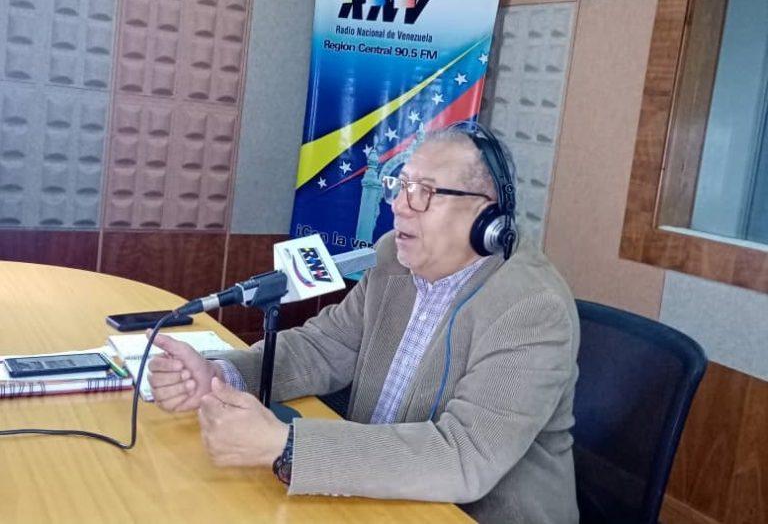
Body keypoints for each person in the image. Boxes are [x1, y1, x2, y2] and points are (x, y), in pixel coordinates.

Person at [147, 125, 580, 523]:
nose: (399, 206)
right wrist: (222, 375)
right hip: (373, 497)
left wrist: (287, 446)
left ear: (485, 216)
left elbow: (463, 456)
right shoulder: (393, 258)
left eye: (424, 192)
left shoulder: (532, 309)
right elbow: (322, 347)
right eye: (401, 185)